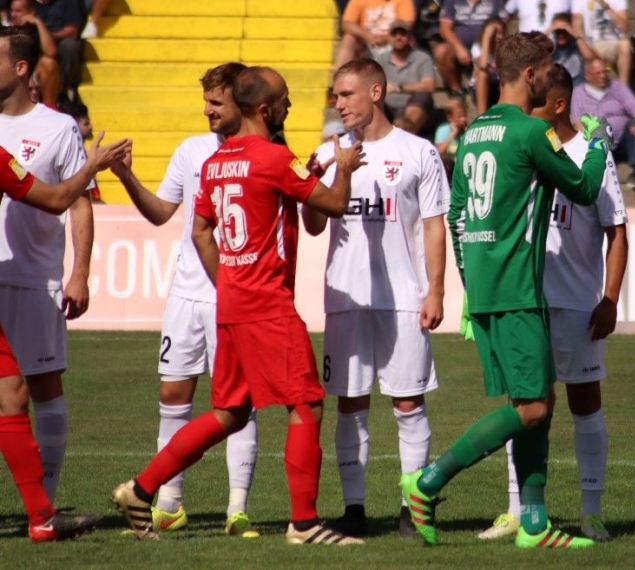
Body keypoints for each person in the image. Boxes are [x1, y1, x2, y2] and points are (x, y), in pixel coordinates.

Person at [111, 66, 367, 544]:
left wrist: (229, 275)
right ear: (266, 109)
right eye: (286, 99)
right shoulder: (274, 157)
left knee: (230, 412)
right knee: (306, 404)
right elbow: (331, 206)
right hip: (268, 303)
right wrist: (345, 169)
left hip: (230, 302)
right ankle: (305, 524)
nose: (291, 105)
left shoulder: (216, 162)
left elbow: (201, 230)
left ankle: (141, 489)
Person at [399, 32, 609, 549]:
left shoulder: (472, 133)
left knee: (535, 398)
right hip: (518, 290)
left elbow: (456, 213)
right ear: (533, 74)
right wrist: (599, 144)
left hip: (489, 290)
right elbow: (582, 189)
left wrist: (469, 283)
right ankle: (427, 483)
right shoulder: (530, 132)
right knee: (533, 407)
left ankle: (534, 524)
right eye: (548, 68)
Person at [108, 63, 263, 537]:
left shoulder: (261, 152)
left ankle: (237, 509)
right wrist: (125, 177)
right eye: (206, 101)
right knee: (173, 395)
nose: (207, 110)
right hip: (186, 296)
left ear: (240, 103)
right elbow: (160, 213)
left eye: (217, 102)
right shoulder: (191, 150)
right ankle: (170, 504)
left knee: (239, 403)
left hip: (233, 298)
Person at [478, 62, 628, 542]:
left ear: (557, 104)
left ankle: (591, 510)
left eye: (535, 101)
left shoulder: (591, 154)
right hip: (526, 298)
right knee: (524, 402)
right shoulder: (521, 146)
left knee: (585, 404)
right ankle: (518, 510)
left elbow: (617, 231)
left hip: (578, 302)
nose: (525, 109)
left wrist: (609, 297)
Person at [302, 58, 448, 540]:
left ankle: (413, 507)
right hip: (346, 297)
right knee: (350, 404)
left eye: (346, 95)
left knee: (408, 403)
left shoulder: (418, 152)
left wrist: (436, 288)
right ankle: (355, 509)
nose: (337, 104)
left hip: (404, 298)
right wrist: (311, 186)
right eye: (335, 96)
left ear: (376, 92)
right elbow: (314, 225)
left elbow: (432, 224)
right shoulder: (327, 153)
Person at [0, 23, 127, 542]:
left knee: (26, 391)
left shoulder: (56, 129)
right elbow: (53, 196)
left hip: (32, 277)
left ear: (22, 67)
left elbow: (71, 201)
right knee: (11, 395)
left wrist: (79, 270)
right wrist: (96, 163)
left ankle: (42, 506)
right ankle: (41, 516)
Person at [572, 58, 635, 191]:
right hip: (597, 145)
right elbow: (577, 124)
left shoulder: (618, 87)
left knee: (634, 123)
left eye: (604, 72)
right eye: (598, 73)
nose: (603, 76)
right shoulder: (578, 93)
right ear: (587, 75)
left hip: (622, 143)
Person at [434, 0, 506, 98]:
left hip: (488, 46)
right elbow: (444, 28)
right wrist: (459, 48)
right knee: (440, 51)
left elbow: (502, 25)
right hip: (461, 45)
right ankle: (456, 90)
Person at [336, 0, 416, 68]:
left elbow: (407, 23)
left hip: (393, 41)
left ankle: (409, 79)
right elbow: (347, 24)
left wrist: (388, 37)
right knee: (349, 39)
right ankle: (341, 79)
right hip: (367, 44)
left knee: (409, 39)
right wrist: (366, 35)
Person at [571, 0, 631, 83]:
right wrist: (588, 51)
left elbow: (625, 27)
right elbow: (577, 28)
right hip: (592, 44)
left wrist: (605, 6)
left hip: (612, 43)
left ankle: (624, 88)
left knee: (625, 44)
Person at [373, 20, 434, 133]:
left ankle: (406, 135)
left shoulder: (422, 58)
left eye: (402, 33)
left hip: (414, 108)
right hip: (387, 109)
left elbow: (429, 86)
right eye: (394, 34)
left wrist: (399, 88)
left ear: (410, 36)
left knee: (423, 96)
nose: (398, 37)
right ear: (389, 37)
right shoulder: (381, 60)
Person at [31, 0, 82, 103]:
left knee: (70, 46)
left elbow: (72, 28)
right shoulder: (27, 0)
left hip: (59, 39)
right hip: (33, 40)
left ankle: (64, 88)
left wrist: (50, 36)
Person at [10, 0, 58, 106]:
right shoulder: (6, 30)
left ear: (30, 13)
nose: (13, 15)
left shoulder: (37, 30)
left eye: (18, 11)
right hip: (12, 71)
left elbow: (51, 53)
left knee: (49, 63)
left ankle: (49, 109)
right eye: (12, 10)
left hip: (32, 73)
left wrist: (38, 22)